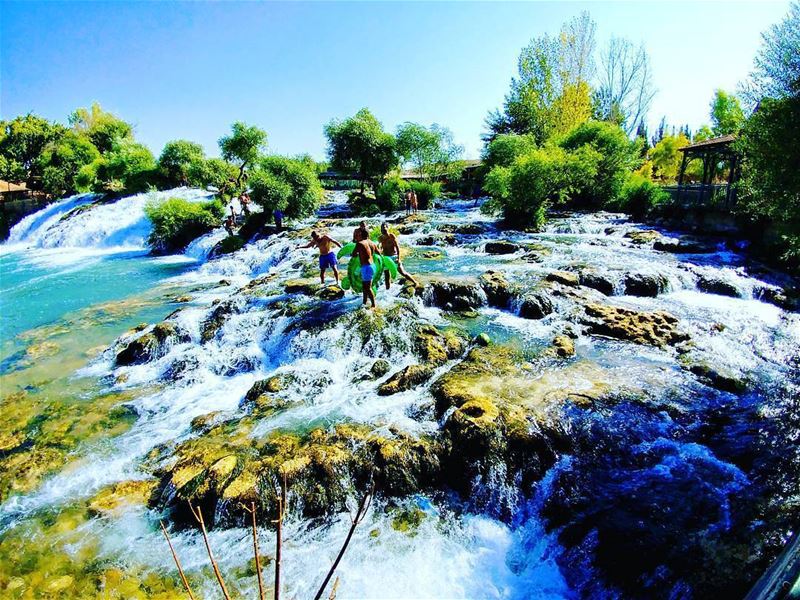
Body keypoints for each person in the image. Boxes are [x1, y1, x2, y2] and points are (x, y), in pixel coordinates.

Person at [378, 222, 418, 289]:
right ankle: (387, 290)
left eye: (384, 228)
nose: (383, 230)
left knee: (402, 272)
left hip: (394, 256)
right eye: (382, 229)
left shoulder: (392, 236)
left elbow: (397, 247)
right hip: (385, 258)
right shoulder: (380, 238)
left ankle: (415, 282)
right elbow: (380, 247)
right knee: (387, 275)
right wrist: (379, 250)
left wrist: (399, 258)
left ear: (387, 228)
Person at [353, 228, 377, 309]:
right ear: (368, 235)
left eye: (359, 234)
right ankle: (364, 301)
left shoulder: (360, 243)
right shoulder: (372, 243)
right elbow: (379, 253)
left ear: (361, 235)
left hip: (366, 267)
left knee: (367, 287)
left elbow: (353, 254)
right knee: (364, 286)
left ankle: (374, 305)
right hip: (372, 265)